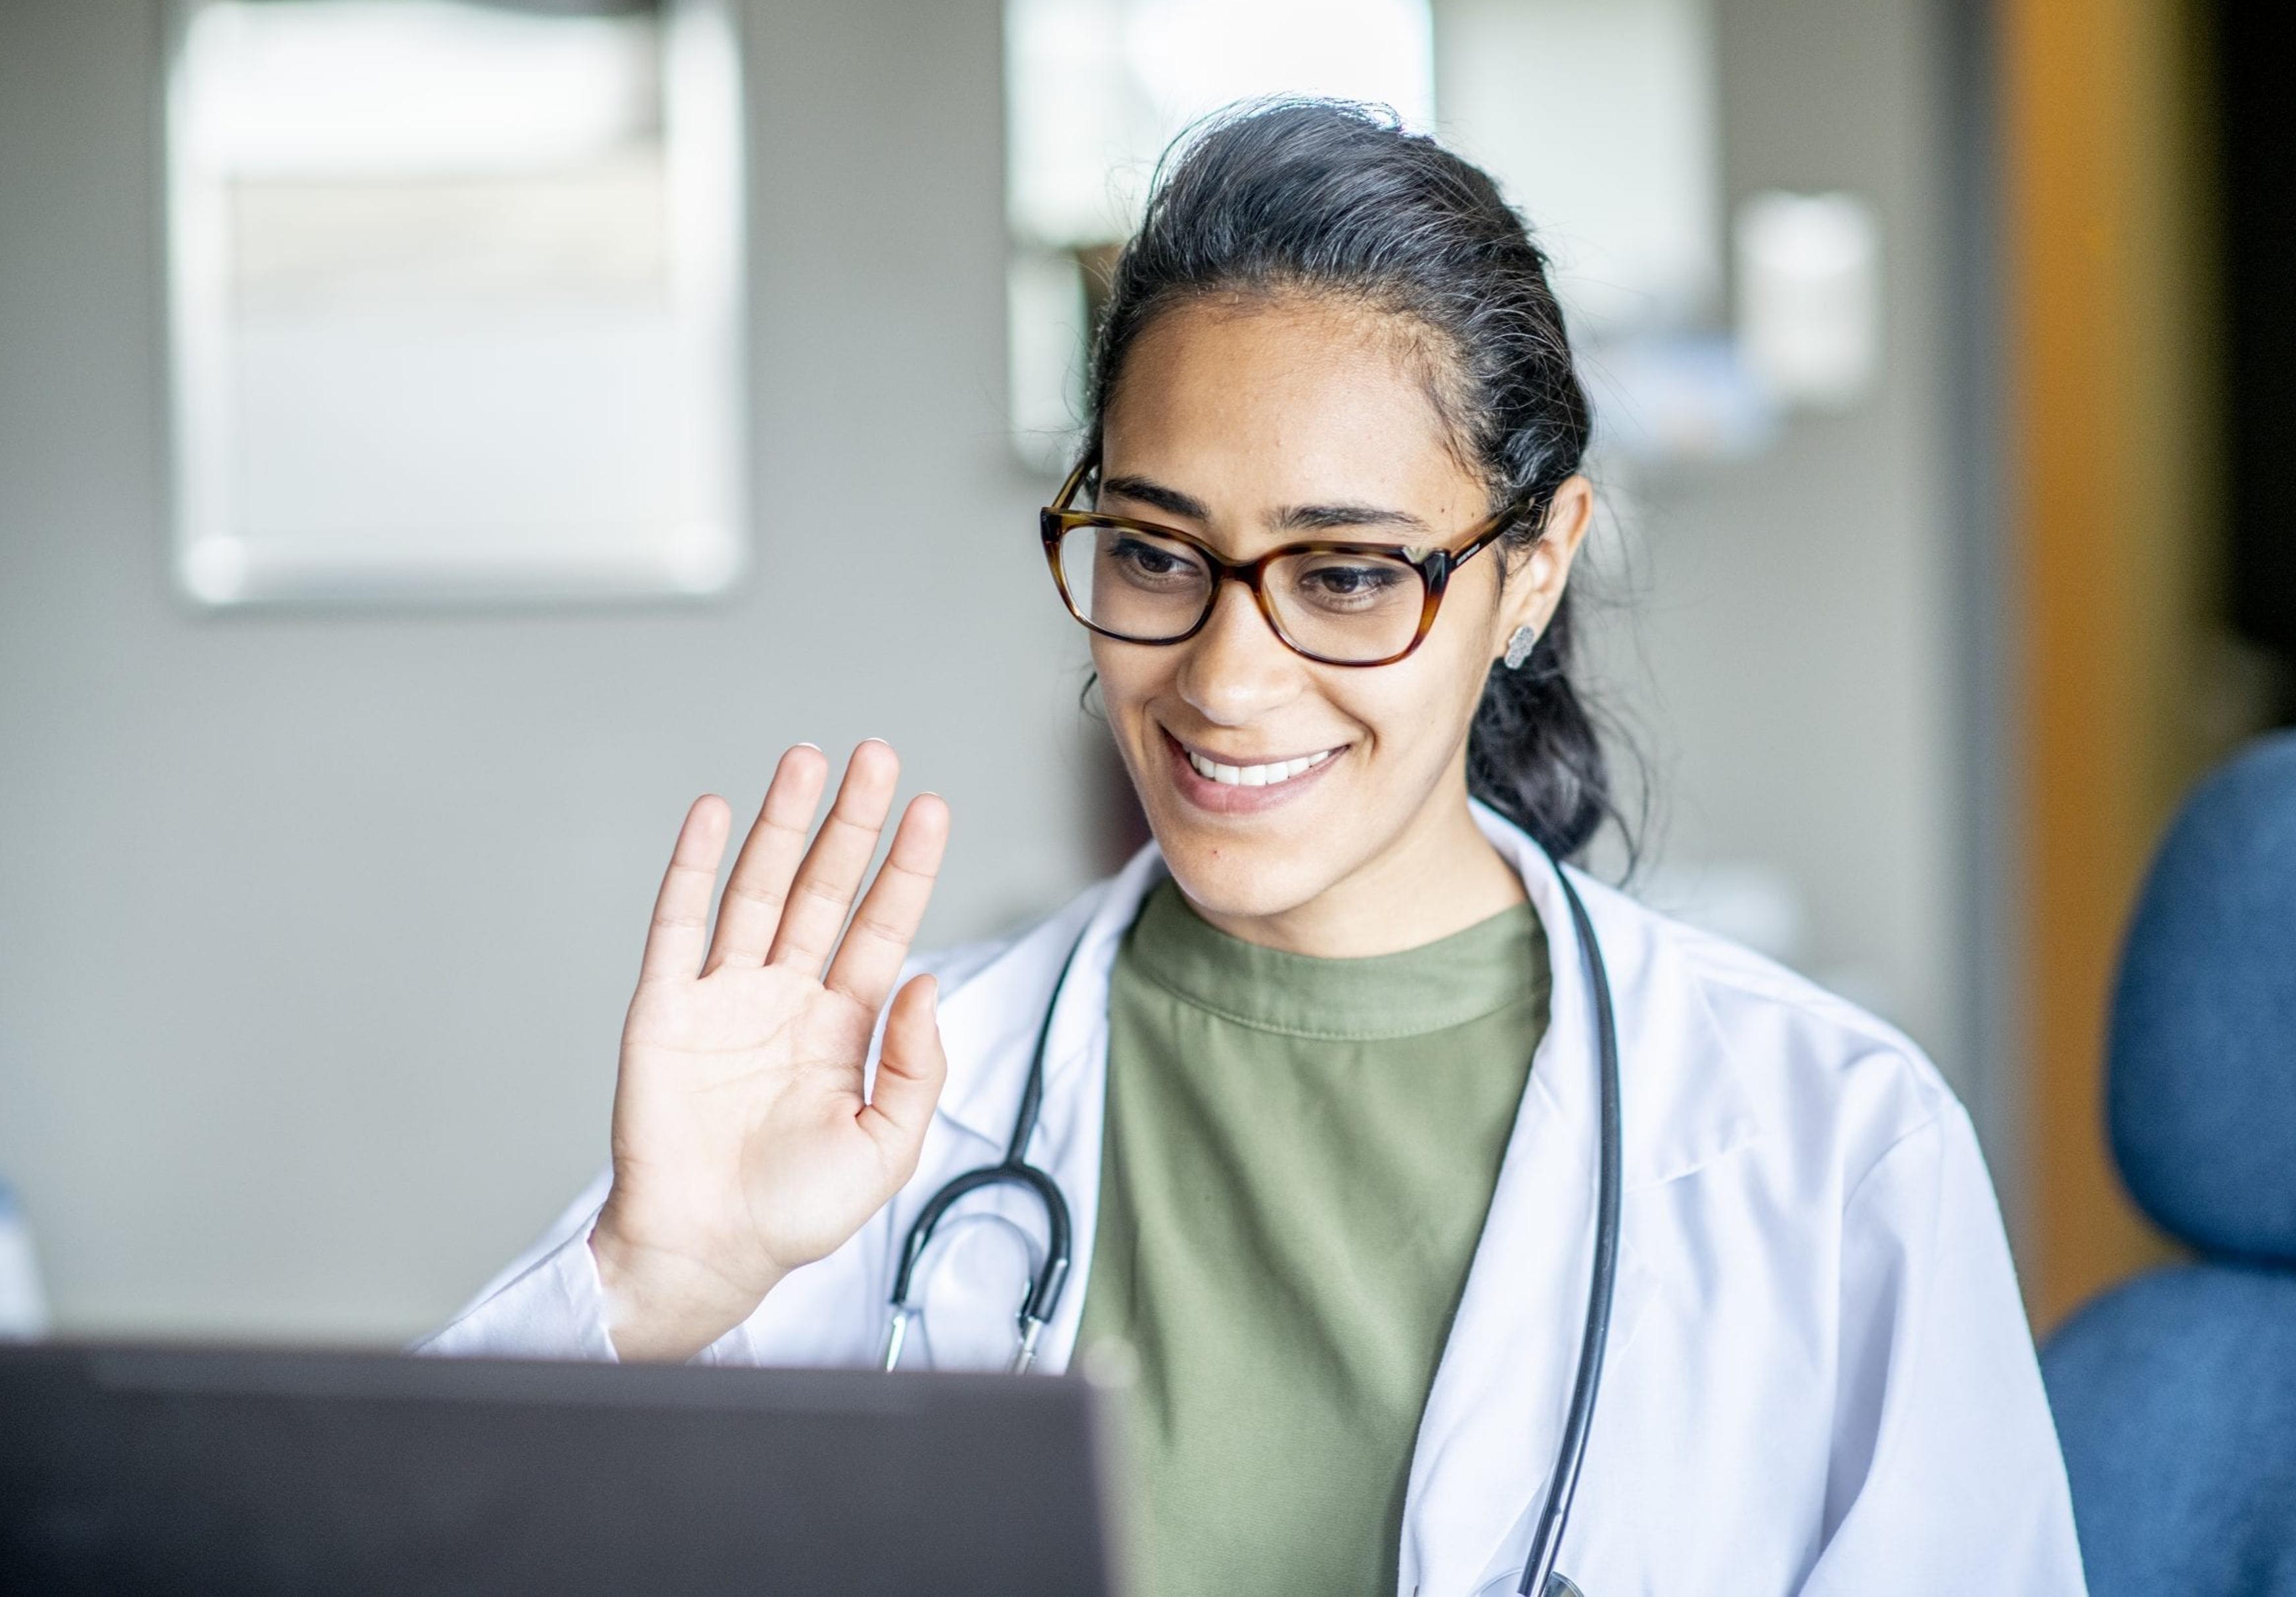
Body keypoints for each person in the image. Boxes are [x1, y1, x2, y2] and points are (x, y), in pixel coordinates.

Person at [421, 102, 2086, 1594]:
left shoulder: (1830, 1149)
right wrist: (650, 1282)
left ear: (1535, 568)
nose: (1222, 679)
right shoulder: (881, 1115)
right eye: (1156, 555)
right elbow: (366, 1542)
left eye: (1348, 574)